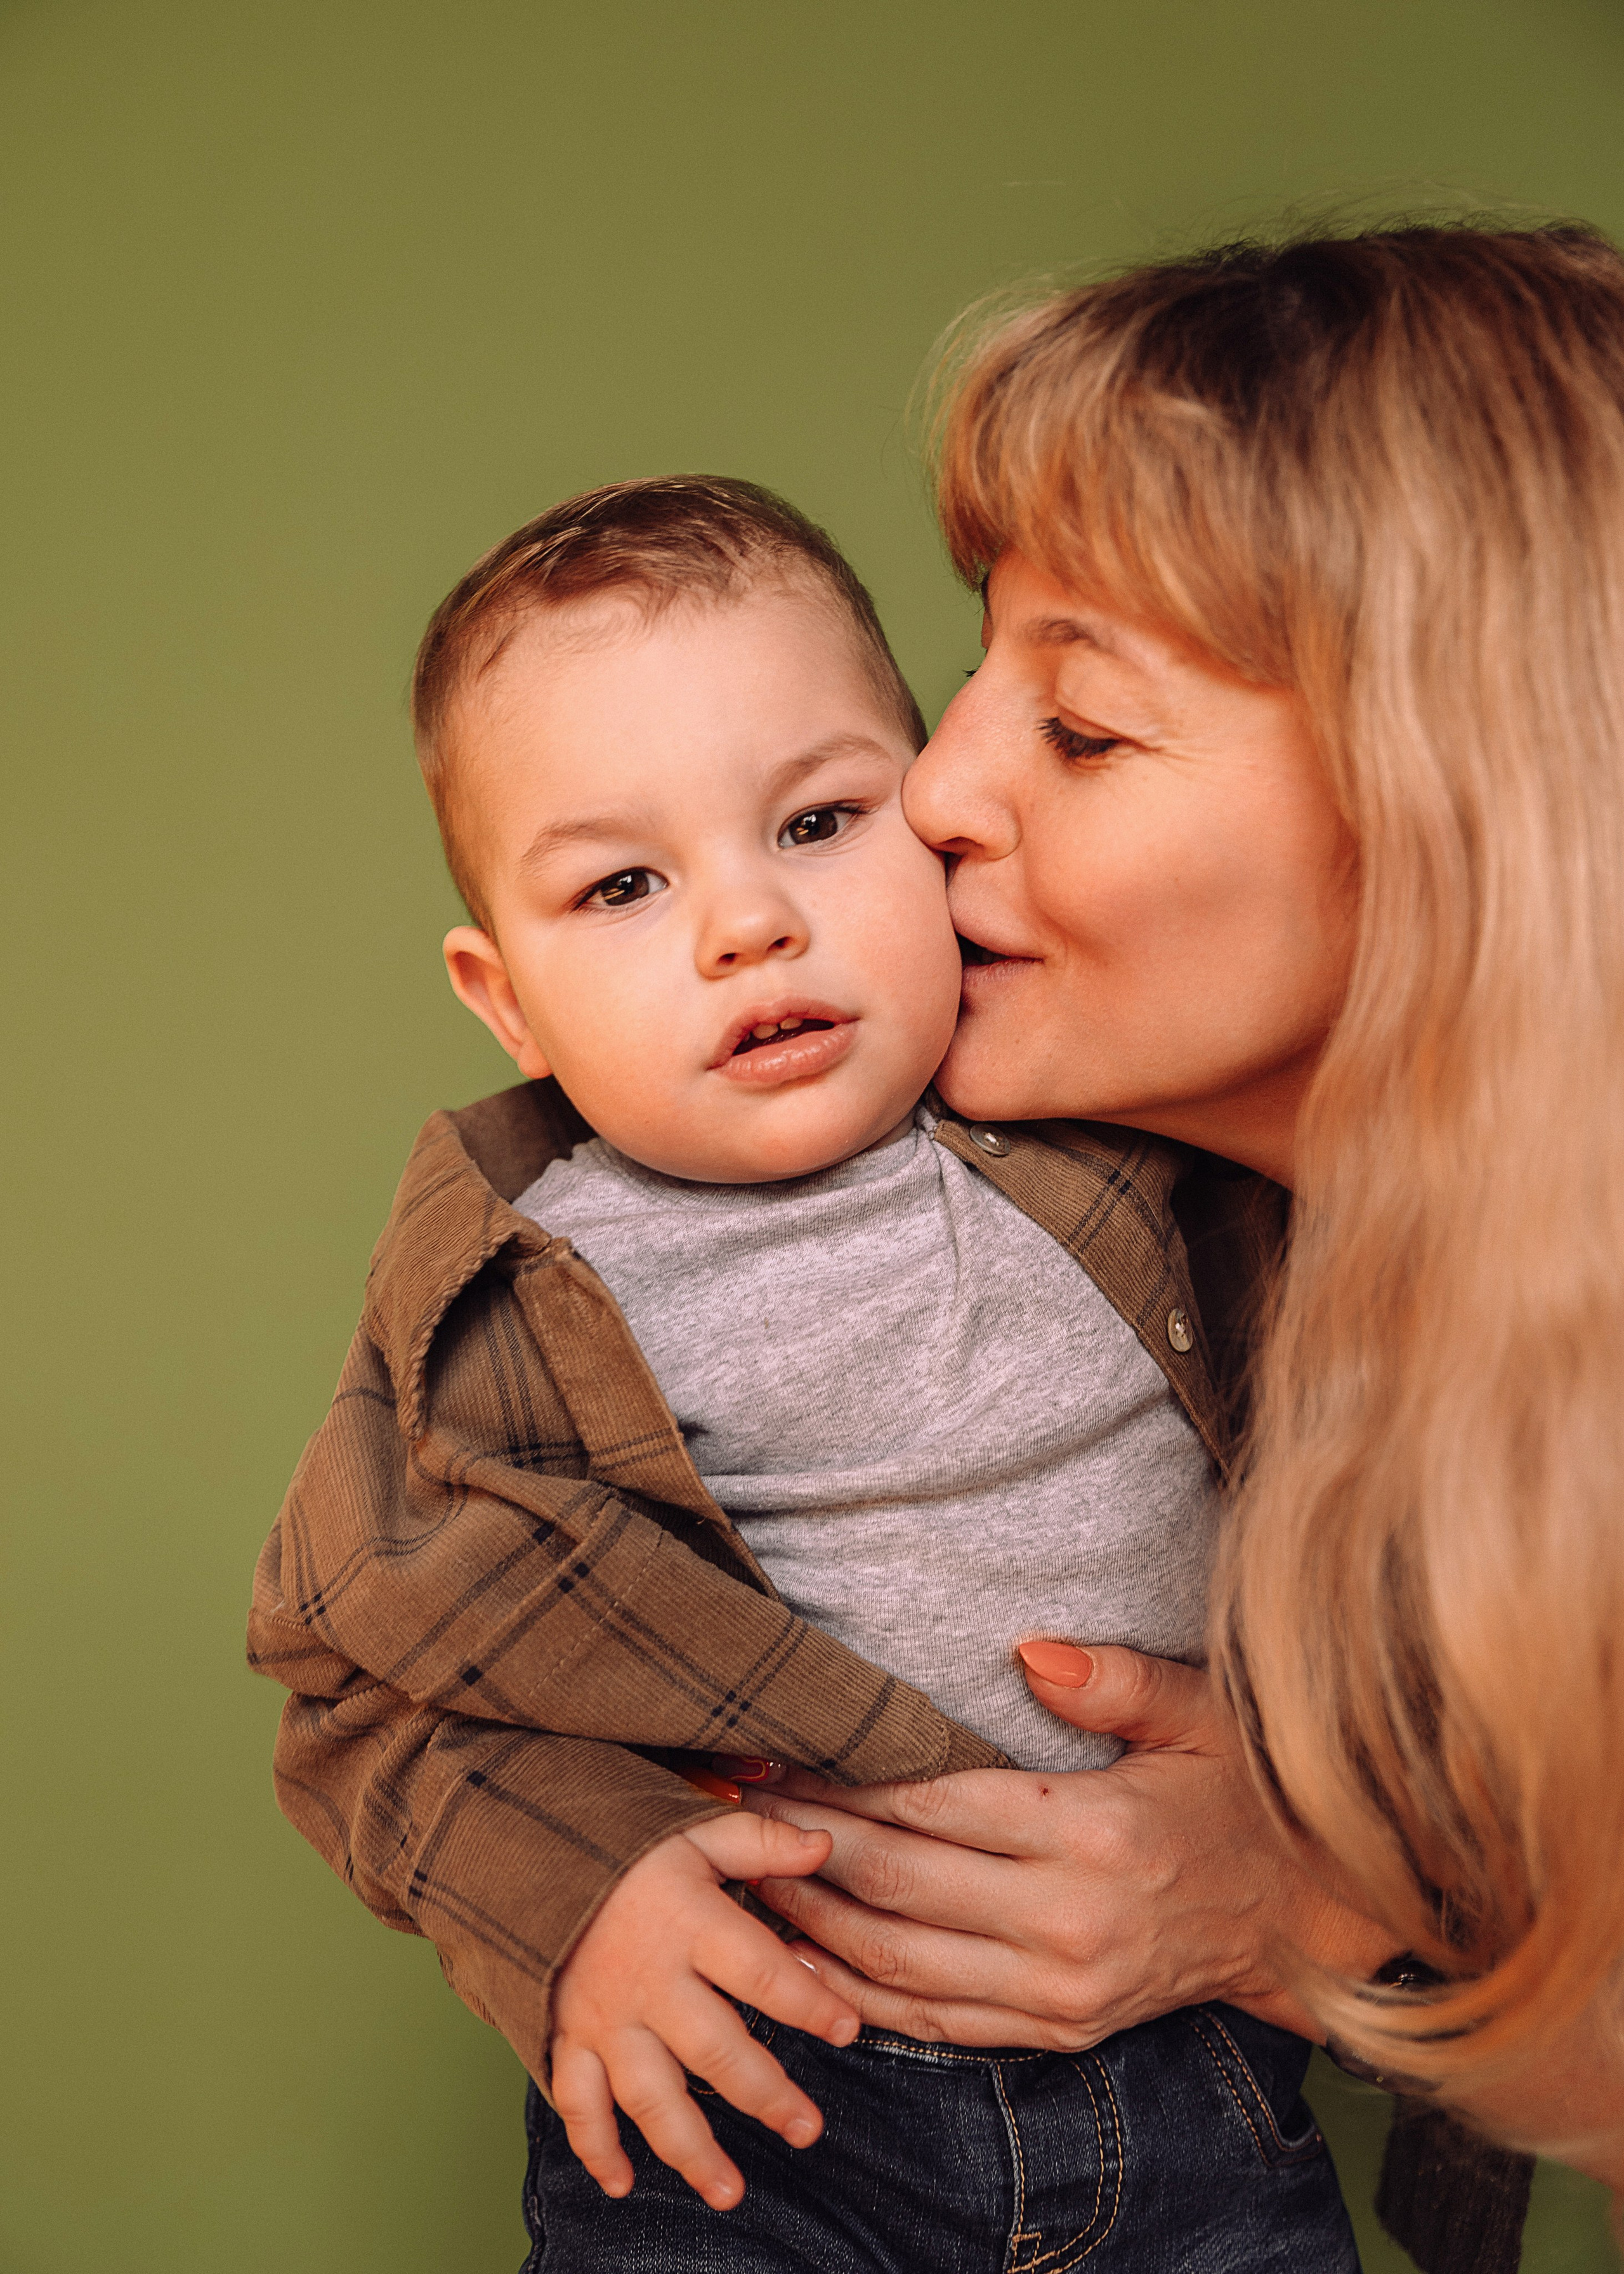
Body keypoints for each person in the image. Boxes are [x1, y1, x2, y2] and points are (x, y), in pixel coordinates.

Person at [249, 473, 1361, 2270]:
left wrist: (1329, 1818)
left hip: (1193, 2072)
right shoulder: (525, 1283)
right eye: (620, 883)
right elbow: (356, 1677)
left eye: (820, 821)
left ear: (930, 831)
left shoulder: (1130, 1146)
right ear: (507, 997)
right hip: (756, 2104)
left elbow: (1403, 1532)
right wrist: (579, 1889)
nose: (746, 924)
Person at [720, 223, 1624, 2270]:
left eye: (1087, 730)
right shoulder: (1113, 1249)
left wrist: (1319, 1922)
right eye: (973, 674)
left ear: (1458, 813)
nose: (928, 788)